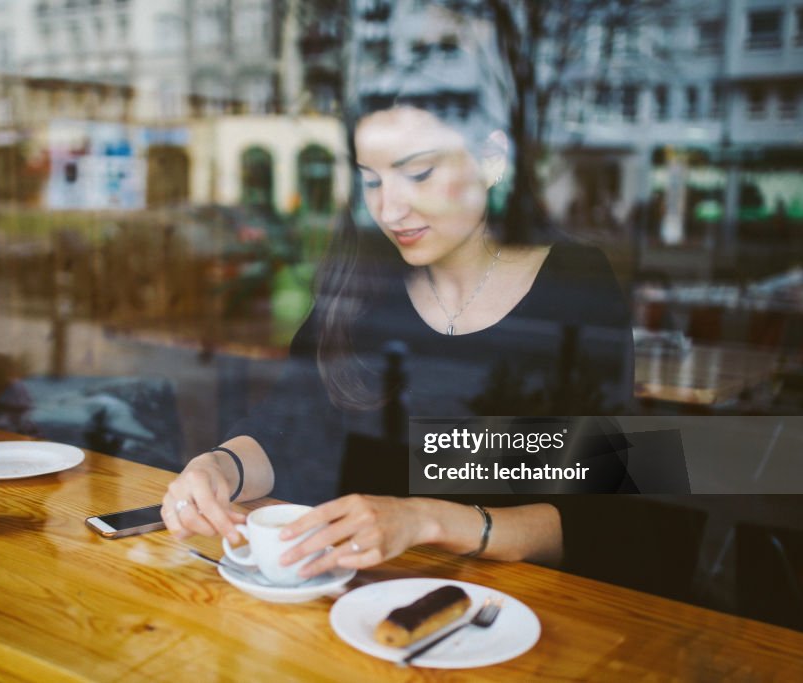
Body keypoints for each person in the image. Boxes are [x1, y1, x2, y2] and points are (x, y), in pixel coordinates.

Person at [161, 100, 635, 584]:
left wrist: (423, 519)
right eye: (371, 181)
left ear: (491, 160)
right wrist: (219, 467)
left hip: (509, 610)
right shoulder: (359, 277)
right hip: (351, 594)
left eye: (419, 173)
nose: (389, 210)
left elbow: (603, 515)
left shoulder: (577, 285)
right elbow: (286, 427)